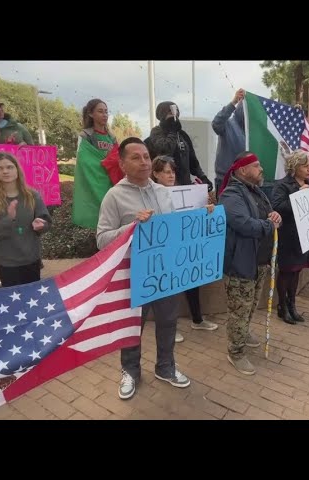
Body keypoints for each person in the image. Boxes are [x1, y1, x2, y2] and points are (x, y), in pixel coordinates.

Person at [97, 137, 190, 400]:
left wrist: (201, 219)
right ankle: (130, 371)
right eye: (136, 157)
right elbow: (102, 238)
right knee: (131, 326)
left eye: (147, 156)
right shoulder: (114, 196)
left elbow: (174, 228)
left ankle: (166, 366)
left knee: (168, 322)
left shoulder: (162, 192)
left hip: (165, 272)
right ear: (122, 163)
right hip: (133, 274)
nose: (144, 162)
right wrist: (131, 227)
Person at [219, 151, 282, 375]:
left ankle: (243, 333)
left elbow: (269, 215)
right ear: (243, 170)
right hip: (240, 266)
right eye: (256, 166)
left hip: (259, 263)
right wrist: (269, 225)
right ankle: (235, 352)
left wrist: (275, 217)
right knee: (239, 310)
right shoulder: (231, 194)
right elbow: (245, 225)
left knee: (250, 306)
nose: (261, 169)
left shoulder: (255, 192)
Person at [151, 155, 219, 340]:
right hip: (165, 250)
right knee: (167, 290)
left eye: (172, 171)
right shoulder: (151, 195)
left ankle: (197, 320)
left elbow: (191, 218)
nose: (171, 175)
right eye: (166, 172)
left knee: (192, 283)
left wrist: (206, 209)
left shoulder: (185, 192)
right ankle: (169, 328)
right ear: (156, 174)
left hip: (184, 248)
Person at [0, 152, 51, 287]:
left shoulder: (32, 195)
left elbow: (46, 221)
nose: (5, 171)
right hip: (5, 261)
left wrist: (41, 224)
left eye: (9, 167)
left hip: (31, 258)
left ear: (17, 169)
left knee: (31, 298)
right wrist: (8, 219)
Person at [271, 150, 309, 324]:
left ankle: (292, 304)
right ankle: (282, 306)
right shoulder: (282, 185)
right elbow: (277, 206)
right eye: (305, 166)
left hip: (303, 236)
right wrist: (299, 195)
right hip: (288, 236)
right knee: (286, 272)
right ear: (294, 167)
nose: (308, 169)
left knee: (297, 271)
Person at [145, 101, 213, 191]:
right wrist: (172, 130)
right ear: (162, 114)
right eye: (170, 112)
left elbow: (193, 161)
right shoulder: (156, 133)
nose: (174, 115)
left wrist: (203, 177)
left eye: (176, 112)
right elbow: (165, 151)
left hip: (185, 185)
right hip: (164, 189)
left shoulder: (182, 135)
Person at [72, 99, 118, 230]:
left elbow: (119, 157)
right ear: (91, 114)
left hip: (111, 181)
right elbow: (84, 161)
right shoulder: (85, 135)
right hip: (95, 180)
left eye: (106, 112)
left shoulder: (112, 137)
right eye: (100, 111)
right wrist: (106, 161)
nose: (104, 115)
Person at [212, 88, 246, 197]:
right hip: (226, 181)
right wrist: (234, 102)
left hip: (246, 182)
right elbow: (216, 123)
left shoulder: (254, 131)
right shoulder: (228, 124)